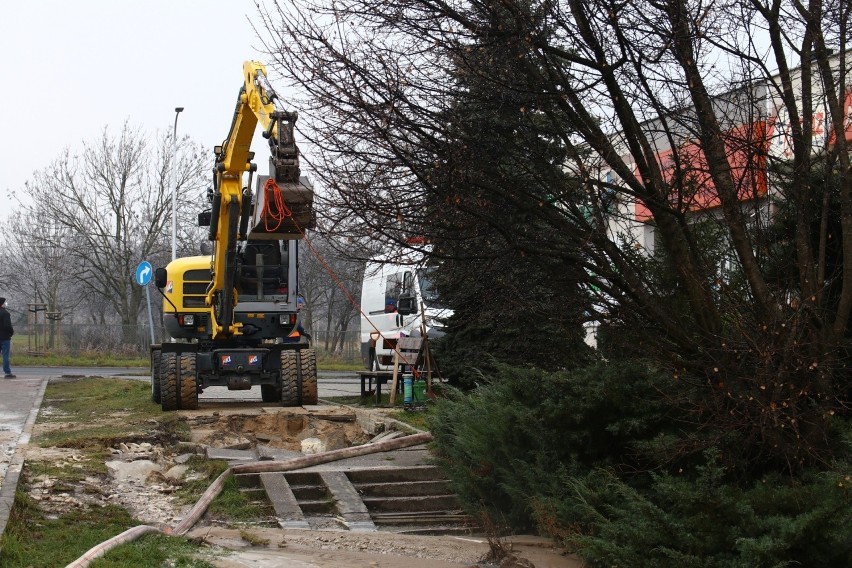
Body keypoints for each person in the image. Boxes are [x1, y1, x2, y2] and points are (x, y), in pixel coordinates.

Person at [0, 298, 14, 378]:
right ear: (2, 304)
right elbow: (7, 326)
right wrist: (11, 332)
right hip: (4, 337)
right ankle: (7, 372)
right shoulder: (5, 313)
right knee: (5, 355)